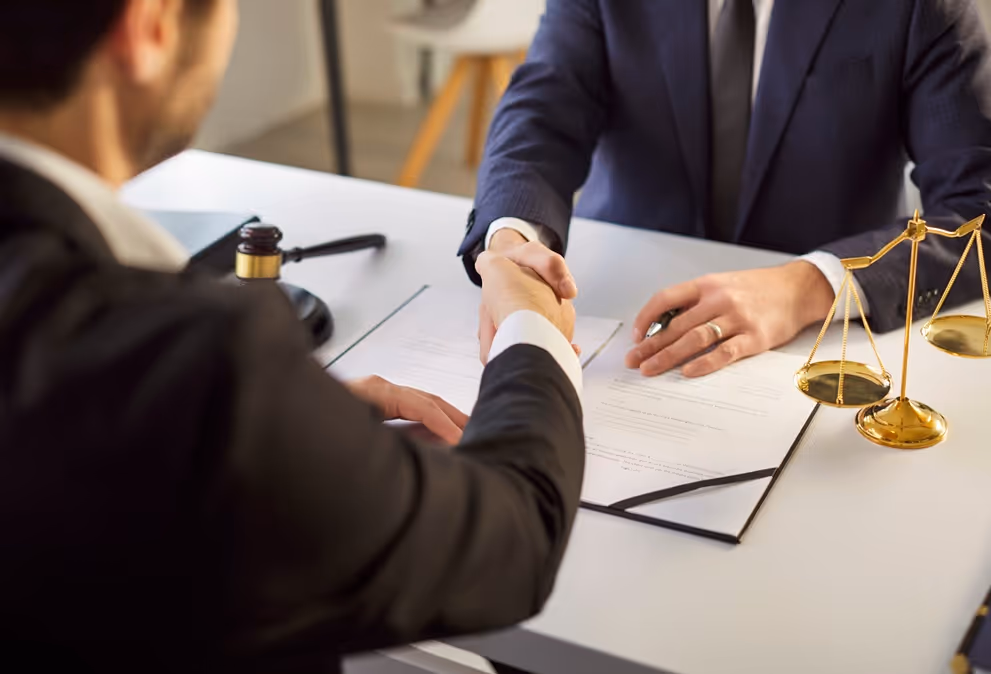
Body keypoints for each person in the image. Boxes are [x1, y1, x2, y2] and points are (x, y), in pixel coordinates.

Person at [0, 1, 586, 671]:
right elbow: (513, 543)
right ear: (149, 26)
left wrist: (299, 420)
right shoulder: (200, 367)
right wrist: (530, 326)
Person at [460, 0, 991, 378]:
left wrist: (809, 286)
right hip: (618, 308)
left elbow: (978, 207)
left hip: (819, 343)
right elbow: (541, 112)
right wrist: (514, 239)